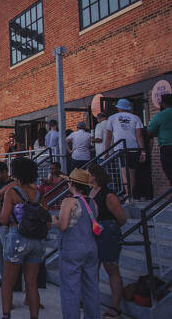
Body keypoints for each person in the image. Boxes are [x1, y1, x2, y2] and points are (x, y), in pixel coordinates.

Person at [0, 157, 46, 319]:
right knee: (31, 284)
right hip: (37, 241)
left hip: (17, 238)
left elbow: (4, 220)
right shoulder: (39, 194)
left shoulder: (12, 192)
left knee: (8, 282)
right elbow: (47, 221)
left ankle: (6, 315)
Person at [52, 168, 100, 319]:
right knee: (91, 287)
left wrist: (54, 221)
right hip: (91, 247)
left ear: (71, 183)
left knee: (70, 288)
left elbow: (64, 225)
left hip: (72, 248)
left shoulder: (69, 201)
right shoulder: (93, 202)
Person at [88, 163, 127, 319]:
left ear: (95, 176)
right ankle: (90, 299)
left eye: (88, 173)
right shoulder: (91, 191)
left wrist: (109, 229)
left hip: (107, 231)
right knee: (92, 268)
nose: (86, 176)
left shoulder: (108, 195)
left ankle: (115, 307)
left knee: (111, 268)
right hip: (94, 231)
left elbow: (122, 218)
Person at [105, 98, 145, 199]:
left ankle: (128, 194)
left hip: (120, 148)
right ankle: (130, 193)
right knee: (132, 173)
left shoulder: (112, 118)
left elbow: (108, 137)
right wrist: (143, 151)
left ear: (118, 108)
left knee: (123, 171)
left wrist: (106, 151)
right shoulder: (136, 118)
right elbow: (139, 136)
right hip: (133, 148)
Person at [148, 93, 172, 185]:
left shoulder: (160, 116)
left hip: (167, 147)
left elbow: (150, 132)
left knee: (169, 171)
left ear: (164, 103)